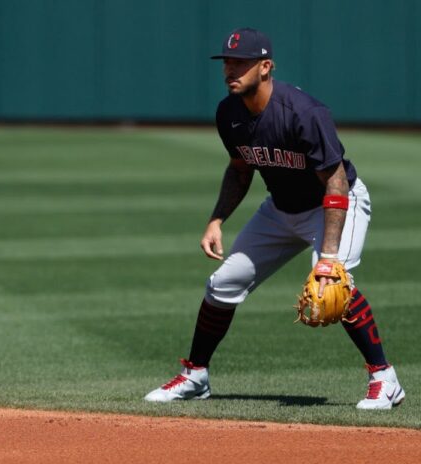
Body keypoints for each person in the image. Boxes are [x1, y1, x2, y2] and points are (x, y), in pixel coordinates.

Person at [144, 28, 404, 410]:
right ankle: (196, 375)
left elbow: (334, 181)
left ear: (265, 67)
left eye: (241, 63)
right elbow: (239, 170)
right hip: (280, 209)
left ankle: (385, 378)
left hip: (334, 204)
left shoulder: (303, 113)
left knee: (334, 283)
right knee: (222, 284)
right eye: (227, 62)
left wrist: (330, 256)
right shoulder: (228, 113)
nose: (231, 69)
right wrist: (217, 220)